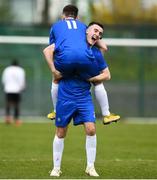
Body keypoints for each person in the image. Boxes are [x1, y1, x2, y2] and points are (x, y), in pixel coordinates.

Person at [43, 4, 120, 125]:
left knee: (56, 79)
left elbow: (52, 49)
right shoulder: (83, 27)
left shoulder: (56, 26)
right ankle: (106, 114)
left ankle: (56, 110)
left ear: (63, 16)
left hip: (65, 61)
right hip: (85, 59)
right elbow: (104, 47)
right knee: (98, 82)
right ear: (77, 17)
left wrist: (54, 70)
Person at [1, 59, 26, 125]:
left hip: (8, 89)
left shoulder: (7, 69)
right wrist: (23, 87)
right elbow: (22, 80)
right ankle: (17, 119)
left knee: (8, 103)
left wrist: (5, 86)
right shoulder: (20, 70)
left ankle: (7, 118)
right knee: (16, 104)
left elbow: (3, 79)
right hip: (17, 90)